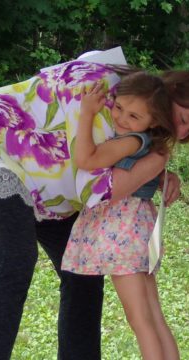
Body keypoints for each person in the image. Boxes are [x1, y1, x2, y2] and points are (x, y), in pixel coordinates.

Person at [0, 59, 189, 360]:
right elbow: (96, 191)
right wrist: (155, 163)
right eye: (183, 119)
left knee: (83, 271)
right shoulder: (109, 101)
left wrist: (154, 171)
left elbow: (117, 157)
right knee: (14, 264)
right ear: (170, 91)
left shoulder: (132, 99)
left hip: (43, 177)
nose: (181, 135)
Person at [61, 71, 179, 359]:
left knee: (140, 321)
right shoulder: (146, 142)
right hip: (137, 229)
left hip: (122, 233)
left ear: (154, 122)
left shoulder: (131, 141)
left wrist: (87, 114)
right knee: (152, 316)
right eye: (119, 108)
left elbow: (87, 159)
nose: (122, 119)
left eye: (134, 116)